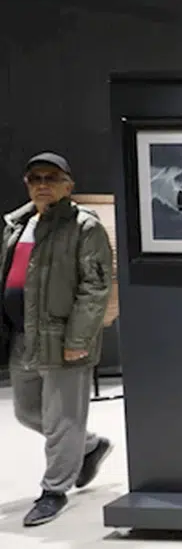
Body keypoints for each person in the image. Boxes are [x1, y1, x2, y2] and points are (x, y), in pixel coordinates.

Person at [1, 152, 115, 527]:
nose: (42, 185)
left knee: (63, 418)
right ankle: (89, 447)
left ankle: (54, 490)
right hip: (23, 335)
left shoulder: (84, 227)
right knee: (27, 411)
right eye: (35, 178)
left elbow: (95, 287)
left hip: (63, 337)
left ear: (69, 185)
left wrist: (78, 338)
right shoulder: (17, 224)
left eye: (51, 178)